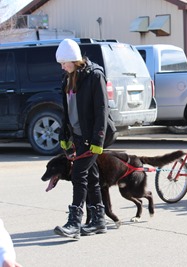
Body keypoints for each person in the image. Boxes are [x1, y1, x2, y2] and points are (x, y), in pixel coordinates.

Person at [54, 39, 108, 239]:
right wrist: (64, 135)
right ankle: (98, 220)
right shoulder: (68, 77)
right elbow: (67, 110)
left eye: (64, 62)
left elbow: (102, 110)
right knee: (91, 177)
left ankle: (74, 223)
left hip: (92, 137)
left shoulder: (95, 76)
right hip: (77, 135)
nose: (62, 66)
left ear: (74, 60)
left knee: (78, 174)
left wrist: (98, 140)